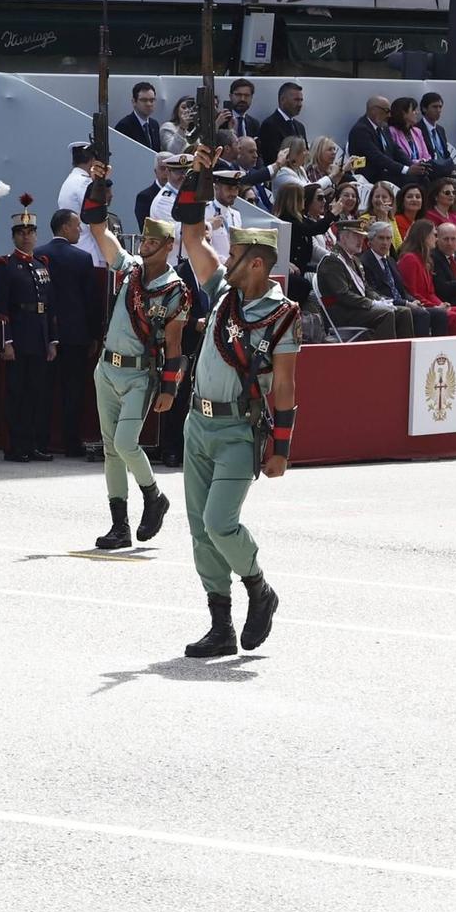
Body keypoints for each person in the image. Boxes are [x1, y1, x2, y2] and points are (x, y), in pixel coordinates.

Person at [176, 167, 298, 660]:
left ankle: (259, 588)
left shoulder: (283, 314)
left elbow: (285, 387)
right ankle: (220, 624)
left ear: (255, 263)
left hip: (238, 430)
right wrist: (196, 175)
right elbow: (188, 233)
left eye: (234, 255)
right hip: (197, 425)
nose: (224, 259)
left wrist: (282, 450)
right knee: (198, 530)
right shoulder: (221, 295)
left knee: (220, 522)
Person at [78, 163, 187, 550]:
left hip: (141, 375)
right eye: (143, 243)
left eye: (153, 244)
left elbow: (174, 344)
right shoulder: (130, 269)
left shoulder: (175, 290)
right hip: (107, 368)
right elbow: (97, 228)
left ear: (169, 246)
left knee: (126, 443)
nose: (145, 248)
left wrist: (170, 389)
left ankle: (154, 497)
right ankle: (119, 524)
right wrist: (98, 185)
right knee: (110, 448)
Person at [0, 198, 58, 463]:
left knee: (37, 393)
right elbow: (2, 308)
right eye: (21, 232)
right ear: (14, 236)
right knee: (17, 393)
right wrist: (6, 342)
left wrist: (52, 341)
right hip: (19, 333)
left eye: (30, 232)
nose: (27, 237)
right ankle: (15, 445)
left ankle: (32, 444)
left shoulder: (41, 264)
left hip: (40, 334)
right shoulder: (6, 265)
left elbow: (50, 305)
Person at [44, 209, 103, 460]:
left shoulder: (38, 254)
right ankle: (70, 442)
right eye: (77, 226)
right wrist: (95, 334)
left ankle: (41, 439)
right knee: (73, 390)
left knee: (43, 388)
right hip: (76, 334)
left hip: (45, 332)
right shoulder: (81, 258)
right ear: (65, 228)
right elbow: (91, 301)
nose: (80, 230)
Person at [316, 219, 412, 339]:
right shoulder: (332, 261)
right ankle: (386, 355)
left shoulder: (354, 259)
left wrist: (381, 300)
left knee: (404, 312)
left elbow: (365, 288)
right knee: (386, 314)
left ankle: (404, 355)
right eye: (357, 236)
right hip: (342, 312)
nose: (361, 241)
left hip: (357, 308)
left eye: (362, 237)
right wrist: (371, 304)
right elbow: (343, 295)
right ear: (343, 237)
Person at [362, 220, 448, 336]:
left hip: (402, 303)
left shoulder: (390, 261)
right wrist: (405, 303)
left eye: (388, 239)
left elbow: (401, 289)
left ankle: (437, 352)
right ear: (370, 241)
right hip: (386, 306)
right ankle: (418, 352)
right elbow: (375, 292)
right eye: (381, 238)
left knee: (439, 314)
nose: (385, 242)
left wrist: (413, 301)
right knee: (421, 314)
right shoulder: (365, 262)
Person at [397, 219, 456, 335]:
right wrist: (436, 306)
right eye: (434, 235)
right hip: (419, 306)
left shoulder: (425, 260)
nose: (436, 239)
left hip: (431, 304)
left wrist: (441, 304)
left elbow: (430, 292)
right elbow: (412, 292)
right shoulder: (410, 259)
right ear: (424, 237)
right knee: (454, 316)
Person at [349, 94, 427, 188]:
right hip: (371, 175)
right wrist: (406, 169)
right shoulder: (361, 130)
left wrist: (412, 165)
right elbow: (377, 157)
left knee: (423, 177)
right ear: (374, 110)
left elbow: (395, 150)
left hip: (387, 172)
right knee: (410, 181)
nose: (389, 115)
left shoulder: (383, 127)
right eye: (387, 111)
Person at [56, 140, 107, 267]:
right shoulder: (85, 183)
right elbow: (95, 218)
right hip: (89, 251)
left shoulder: (69, 181)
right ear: (92, 161)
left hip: (74, 248)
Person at [257, 82, 306, 169]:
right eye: (296, 100)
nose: (300, 104)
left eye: (301, 100)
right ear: (283, 100)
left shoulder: (300, 127)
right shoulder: (270, 125)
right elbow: (271, 158)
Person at [419, 92, 456, 178]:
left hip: (446, 169)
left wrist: (453, 169)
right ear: (424, 109)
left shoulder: (440, 130)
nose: (438, 110)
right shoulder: (417, 129)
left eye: (440, 107)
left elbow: (446, 154)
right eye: (435, 107)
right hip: (431, 171)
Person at [115, 83, 162, 151]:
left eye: (152, 100)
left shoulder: (154, 124)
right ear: (134, 102)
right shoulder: (124, 126)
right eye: (144, 100)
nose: (149, 104)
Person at [433, 221, 456, 307]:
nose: (449, 243)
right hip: (448, 304)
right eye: (446, 239)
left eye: (453, 239)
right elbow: (442, 288)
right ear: (437, 240)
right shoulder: (433, 257)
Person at [367, 181, 404, 252]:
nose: (380, 200)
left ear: (391, 200)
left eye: (384, 197)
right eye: (377, 196)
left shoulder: (392, 219)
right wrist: (383, 217)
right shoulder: (365, 219)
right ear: (371, 199)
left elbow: (399, 245)